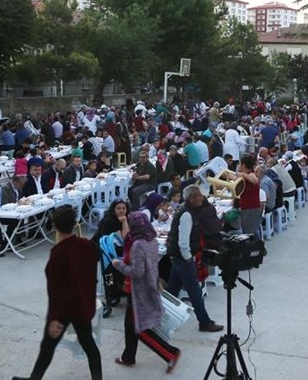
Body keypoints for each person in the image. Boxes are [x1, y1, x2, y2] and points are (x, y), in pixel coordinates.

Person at [12, 207, 102, 380]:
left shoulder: (58, 254)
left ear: (54, 226)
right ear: (75, 224)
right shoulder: (87, 245)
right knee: (89, 345)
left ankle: (34, 378)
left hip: (64, 310)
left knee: (48, 346)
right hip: (82, 305)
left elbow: (56, 291)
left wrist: (54, 318)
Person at [112, 211, 181, 372]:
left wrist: (118, 265)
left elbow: (137, 272)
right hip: (149, 285)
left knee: (139, 328)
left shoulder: (138, 244)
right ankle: (128, 357)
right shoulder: (152, 241)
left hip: (138, 290)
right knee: (131, 325)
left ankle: (170, 353)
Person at [165, 185, 224, 333]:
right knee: (195, 291)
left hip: (177, 256)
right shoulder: (186, 214)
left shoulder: (186, 210)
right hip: (182, 258)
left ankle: (159, 318)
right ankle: (204, 322)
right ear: (191, 199)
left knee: (172, 290)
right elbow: (183, 242)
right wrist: (189, 258)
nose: (202, 198)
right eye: (198, 196)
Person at [225, 154, 261, 237]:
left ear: (244, 165)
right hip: (247, 208)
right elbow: (235, 178)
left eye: (240, 163)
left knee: (249, 233)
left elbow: (255, 181)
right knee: (249, 231)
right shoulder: (244, 177)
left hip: (251, 209)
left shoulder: (250, 174)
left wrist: (243, 174)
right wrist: (227, 173)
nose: (239, 165)